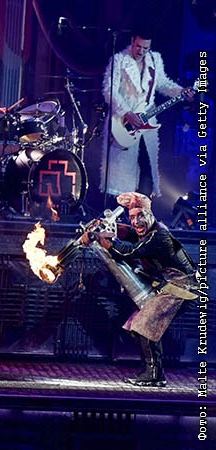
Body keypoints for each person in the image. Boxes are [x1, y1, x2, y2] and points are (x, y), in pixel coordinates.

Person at [80, 192, 197, 387]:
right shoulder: (151, 232)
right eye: (132, 217)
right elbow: (130, 234)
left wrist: (101, 238)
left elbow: (128, 252)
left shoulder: (159, 236)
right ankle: (152, 372)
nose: (136, 222)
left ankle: (154, 375)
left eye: (140, 216)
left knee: (145, 323)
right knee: (138, 323)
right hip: (174, 286)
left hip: (183, 288)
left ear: (150, 215)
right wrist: (103, 227)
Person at [101, 28, 194, 197]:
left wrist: (180, 91)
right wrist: (127, 113)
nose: (141, 51)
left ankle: (142, 208)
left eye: (146, 48)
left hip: (147, 121)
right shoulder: (119, 60)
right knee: (122, 174)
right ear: (132, 40)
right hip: (123, 122)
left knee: (147, 168)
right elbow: (109, 91)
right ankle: (121, 208)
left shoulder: (154, 60)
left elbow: (163, 83)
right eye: (138, 46)